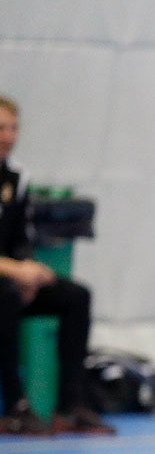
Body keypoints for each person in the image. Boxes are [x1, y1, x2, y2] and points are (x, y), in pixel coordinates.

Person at [0, 95, 114, 435]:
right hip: (3, 284)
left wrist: (30, 271)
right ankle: (16, 406)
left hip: (9, 277)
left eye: (13, 127)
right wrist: (14, 272)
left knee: (76, 296)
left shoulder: (16, 179)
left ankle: (71, 405)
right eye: (1, 128)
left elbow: (18, 238)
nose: (8, 135)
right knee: (5, 295)